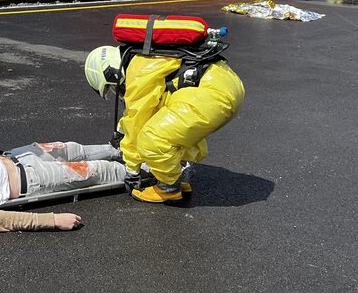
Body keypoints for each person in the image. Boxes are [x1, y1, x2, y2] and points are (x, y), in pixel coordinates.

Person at [84, 22, 245, 204]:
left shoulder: (138, 70)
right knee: (171, 131)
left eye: (114, 87)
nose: (120, 91)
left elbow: (137, 119)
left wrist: (132, 169)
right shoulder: (146, 58)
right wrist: (122, 132)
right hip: (226, 87)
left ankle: (168, 188)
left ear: (110, 72)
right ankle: (179, 178)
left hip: (214, 95)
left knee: (152, 138)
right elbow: (148, 110)